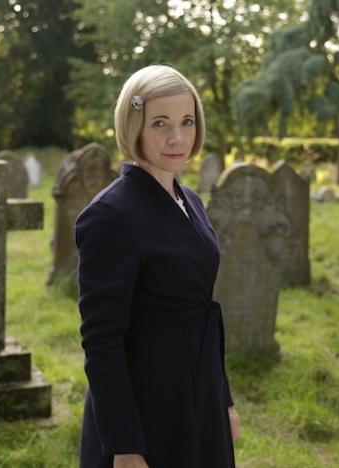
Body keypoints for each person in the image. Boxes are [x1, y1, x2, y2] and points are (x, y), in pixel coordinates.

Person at [74, 64, 240, 468]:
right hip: (147, 403)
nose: (177, 138)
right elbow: (101, 342)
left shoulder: (191, 200)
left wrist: (224, 400)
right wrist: (125, 445)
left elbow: (204, 313)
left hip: (199, 394)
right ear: (133, 127)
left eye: (187, 121)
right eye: (160, 123)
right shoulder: (109, 215)